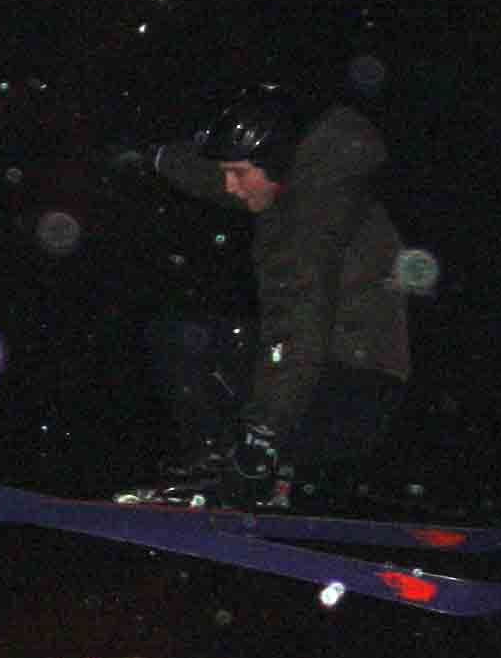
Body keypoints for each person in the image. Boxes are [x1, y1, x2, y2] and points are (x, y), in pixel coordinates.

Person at [114, 83, 411, 507]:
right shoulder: (301, 178)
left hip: (345, 391)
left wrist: (263, 435)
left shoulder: (309, 217)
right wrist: (158, 158)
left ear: (273, 165)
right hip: (346, 383)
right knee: (189, 341)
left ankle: (231, 470)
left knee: (188, 343)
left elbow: (297, 320)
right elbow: (219, 176)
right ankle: (257, 475)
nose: (231, 187)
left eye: (238, 174)